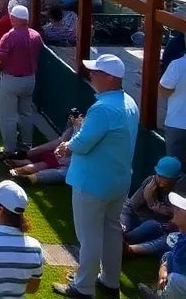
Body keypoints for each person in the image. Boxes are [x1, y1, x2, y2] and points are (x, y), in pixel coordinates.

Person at [52, 53, 139, 297]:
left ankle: (83, 287)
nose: (91, 75)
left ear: (110, 78)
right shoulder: (129, 102)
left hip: (92, 183)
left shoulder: (102, 108)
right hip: (118, 181)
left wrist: (66, 145)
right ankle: (110, 281)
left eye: (97, 72)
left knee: (88, 236)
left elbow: (83, 143)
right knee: (111, 231)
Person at [0, 5, 41, 157]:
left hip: (11, 80)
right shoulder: (35, 35)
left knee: (8, 116)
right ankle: (27, 146)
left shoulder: (10, 36)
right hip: (29, 79)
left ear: (13, 19)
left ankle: (9, 149)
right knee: (26, 114)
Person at [123, 157, 184, 258]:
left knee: (168, 238)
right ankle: (122, 236)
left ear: (175, 178)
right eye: (160, 176)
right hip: (144, 219)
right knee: (125, 205)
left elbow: (178, 216)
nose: (161, 181)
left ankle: (129, 249)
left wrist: (155, 205)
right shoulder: (151, 182)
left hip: (166, 227)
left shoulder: (181, 188)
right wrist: (146, 197)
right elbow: (132, 205)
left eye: (166, 178)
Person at [135, 192, 186, 298]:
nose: (174, 210)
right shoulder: (182, 234)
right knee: (167, 256)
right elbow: (172, 256)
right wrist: (164, 268)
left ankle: (161, 295)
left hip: (181, 281)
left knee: (177, 279)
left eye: (179, 209)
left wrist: (166, 274)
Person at [161, 51, 186, 166]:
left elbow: (164, 89)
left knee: (173, 171)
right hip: (177, 125)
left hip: (177, 125)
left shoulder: (177, 64)